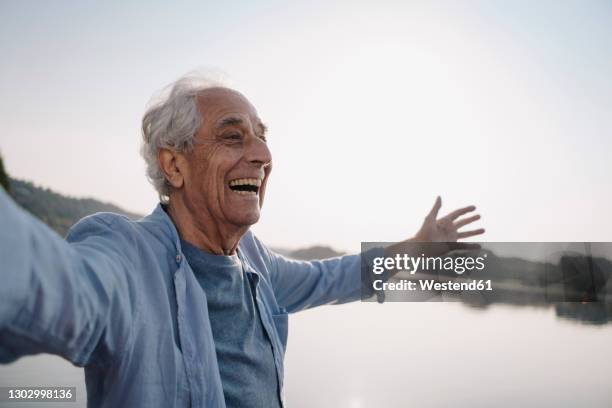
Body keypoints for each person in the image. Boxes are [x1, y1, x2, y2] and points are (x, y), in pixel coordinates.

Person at [0, 74, 484, 407]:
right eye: (234, 137)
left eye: (261, 137)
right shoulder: (125, 256)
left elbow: (332, 277)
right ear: (175, 166)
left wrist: (414, 250)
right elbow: (50, 285)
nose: (263, 154)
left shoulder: (255, 262)